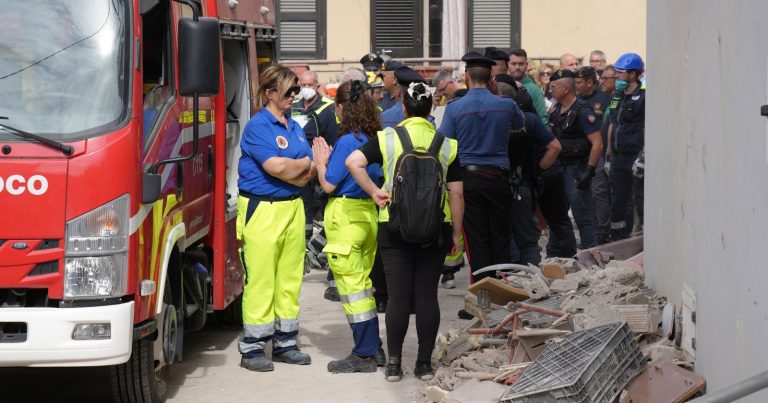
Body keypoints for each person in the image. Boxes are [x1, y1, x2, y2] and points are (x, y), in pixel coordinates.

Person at [346, 82, 463, 382]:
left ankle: (395, 364)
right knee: (427, 295)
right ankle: (424, 364)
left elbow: (353, 162)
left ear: (405, 107)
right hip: (436, 227)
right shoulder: (446, 144)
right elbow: (457, 194)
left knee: (397, 295)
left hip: (394, 224)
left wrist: (374, 191)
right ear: (431, 108)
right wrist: (456, 235)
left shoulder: (387, 138)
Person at [237, 64, 315, 372]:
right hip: (263, 209)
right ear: (270, 93)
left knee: (290, 279)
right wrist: (300, 168)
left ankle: (285, 343)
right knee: (261, 280)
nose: (295, 96)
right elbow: (276, 167)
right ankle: (254, 347)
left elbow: (309, 168)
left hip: (292, 207)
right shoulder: (258, 126)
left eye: (297, 90)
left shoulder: (293, 125)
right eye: (289, 91)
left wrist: (299, 169)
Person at [312, 80, 386, 373]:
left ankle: (365, 353)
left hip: (346, 219)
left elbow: (329, 183)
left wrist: (321, 162)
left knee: (353, 290)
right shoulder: (377, 136)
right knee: (364, 288)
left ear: (342, 108)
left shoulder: (346, 141)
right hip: (369, 217)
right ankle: (374, 349)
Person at [440, 52, 524, 282]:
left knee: (476, 239)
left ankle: (481, 294)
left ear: (466, 76)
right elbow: (519, 124)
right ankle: (500, 289)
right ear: (491, 79)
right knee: (500, 236)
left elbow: (445, 141)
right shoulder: (506, 105)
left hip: (469, 179)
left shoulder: (455, 107)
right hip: (499, 178)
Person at [495, 74, 561, 265]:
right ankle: (530, 280)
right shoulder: (529, 120)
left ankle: (511, 279)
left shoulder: (491, 118)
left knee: (505, 236)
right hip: (524, 183)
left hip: (497, 184)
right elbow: (555, 147)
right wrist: (539, 168)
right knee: (528, 238)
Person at [547, 69, 602, 250]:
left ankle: (590, 258)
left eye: (554, 87)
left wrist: (589, 171)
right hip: (558, 170)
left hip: (576, 170)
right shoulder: (555, 110)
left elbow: (597, 144)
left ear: (565, 89)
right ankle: (556, 255)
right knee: (557, 215)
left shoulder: (583, 111)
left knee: (583, 217)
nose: (550, 90)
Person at [606, 53, 646, 241]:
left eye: (620, 73)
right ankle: (619, 240)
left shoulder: (644, 96)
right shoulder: (617, 95)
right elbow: (613, 124)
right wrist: (608, 156)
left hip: (635, 156)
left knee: (640, 198)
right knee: (618, 200)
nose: (617, 76)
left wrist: (644, 155)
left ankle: (642, 237)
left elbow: (649, 127)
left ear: (633, 74)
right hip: (617, 157)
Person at [576, 66, 612, 244]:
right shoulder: (575, 100)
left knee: (598, 193)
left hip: (598, 153)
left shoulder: (605, 98)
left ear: (590, 83)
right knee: (585, 193)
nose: (577, 86)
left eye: (579, 83)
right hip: (580, 155)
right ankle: (590, 229)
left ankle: (603, 232)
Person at [508, 48, 549, 125]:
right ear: (508, 64)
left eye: (521, 64)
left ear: (526, 65)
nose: (517, 67)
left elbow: (542, 119)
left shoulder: (534, 90)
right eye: (513, 63)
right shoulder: (501, 85)